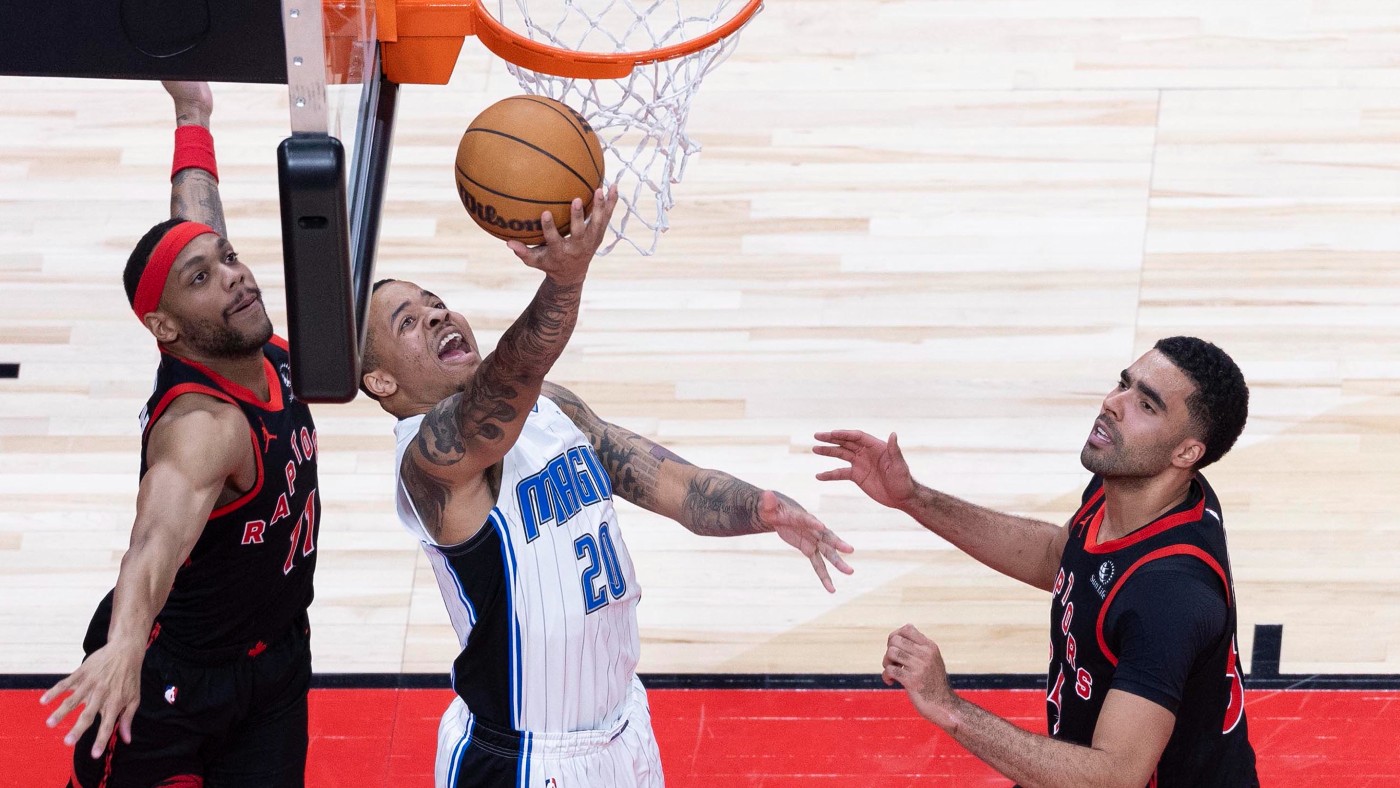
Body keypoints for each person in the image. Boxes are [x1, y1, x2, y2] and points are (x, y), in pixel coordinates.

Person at [358, 191, 856, 787]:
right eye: (408, 322)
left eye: (436, 303)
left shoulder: (549, 408)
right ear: (380, 380)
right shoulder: (427, 462)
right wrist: (563, 281)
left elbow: (668, 481)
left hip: (623, 731)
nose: (437, 316)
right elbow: (511, 375)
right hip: (527, 760)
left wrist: (761, 508)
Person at [816, 336, 1259, 787]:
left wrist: (947, 706)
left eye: (1146, 405)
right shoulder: (1138, 488)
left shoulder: (1169, 596)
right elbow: (1059, 558)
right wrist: (913, 497)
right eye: (1124, 384)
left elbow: (1114, 778)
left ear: (1187, 453)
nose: (1113, 403)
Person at [41, 82, 321, 787]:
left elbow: (195, 223)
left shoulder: (240, 336)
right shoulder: (203, 428)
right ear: (165, 328)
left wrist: (192, 115)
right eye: (203, 278)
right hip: (170, 680)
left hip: (275, 662)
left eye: (229, 258)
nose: (235, 278)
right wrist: (125, 646)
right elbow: (152, 545)